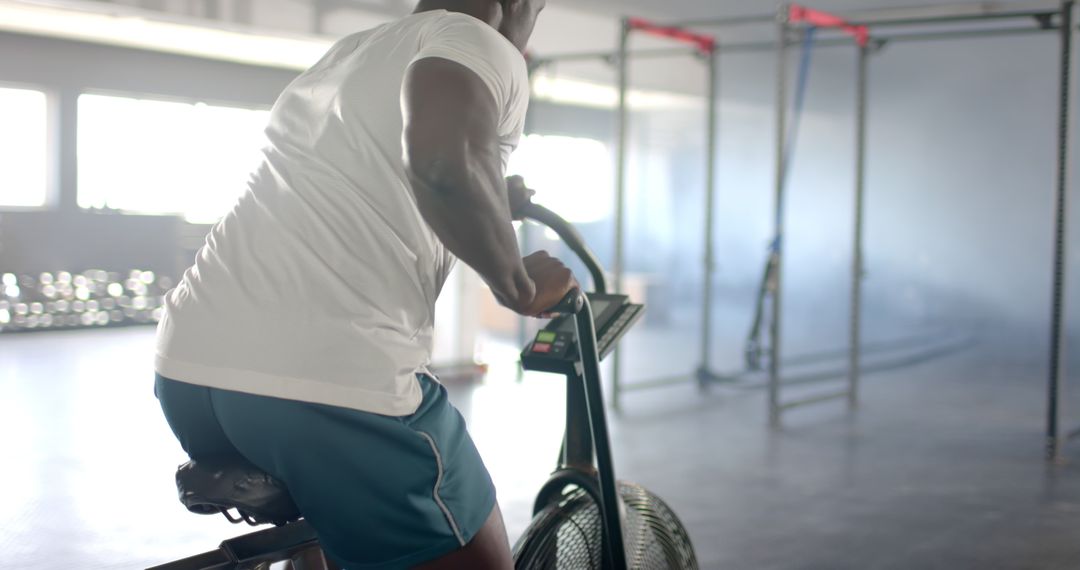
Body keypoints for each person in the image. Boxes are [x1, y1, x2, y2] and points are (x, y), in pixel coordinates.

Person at [153, 0, 575, 567]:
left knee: (329, 520)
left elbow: (370, 176)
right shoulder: (477, 39)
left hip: (188, 369)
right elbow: (443, 166)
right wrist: (519, 286)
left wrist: (491, 193)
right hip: (325, 381)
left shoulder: (350, 52)